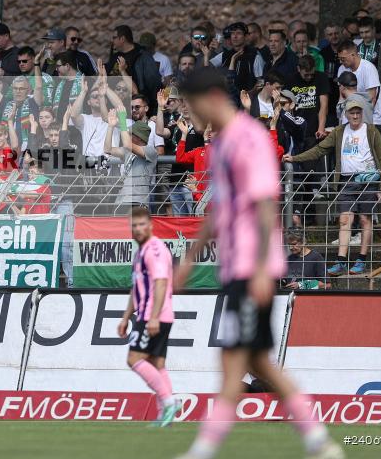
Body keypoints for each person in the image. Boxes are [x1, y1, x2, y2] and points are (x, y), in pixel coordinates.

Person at [175, 68, 341, 459]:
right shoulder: (224, 144)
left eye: (193, 105)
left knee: (239, 360)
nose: (192, 115)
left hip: (252, 266)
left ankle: (206, 448)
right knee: (250, 360)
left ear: (213, 97)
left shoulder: (248, 138)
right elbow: (219, 213)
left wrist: (266, 265)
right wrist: (189, 260)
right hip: (236, 267)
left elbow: (267, 204)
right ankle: (316, 440)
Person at [284, 98, 381, 276]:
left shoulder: (371, 131)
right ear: (346, 114)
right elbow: (320, 149)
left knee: (365, 219)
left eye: (358, 112)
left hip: (368, 180)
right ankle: (341, 261)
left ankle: (361, 260)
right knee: (344, 220)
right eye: (352, 113)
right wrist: (295, 158)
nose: (355, 116)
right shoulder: (340, 131)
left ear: (362, 113)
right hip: (346, 181)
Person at [117, 206, 177, 426]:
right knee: (157, 364)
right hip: (151, 313)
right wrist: (125, 317)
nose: (138, 229)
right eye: (134, 225)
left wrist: (152, 317)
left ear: (151, 225)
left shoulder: (154, 250)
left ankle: (169, 402)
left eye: (142, 224)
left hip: (155, 314)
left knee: (134, 359)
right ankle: (166, 416)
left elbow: (160, 283)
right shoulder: (140, 251)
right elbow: (137, 288)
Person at [336, 40, 381, 143]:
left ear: (353, 55)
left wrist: (361, 123)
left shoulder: (368, 68)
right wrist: (341, 122)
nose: (341, 62)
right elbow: (342, 97)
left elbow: (371, 99)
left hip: (375, 120)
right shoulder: (342, 70)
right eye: (340, 59)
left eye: (343, 59)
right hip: (352, 121)